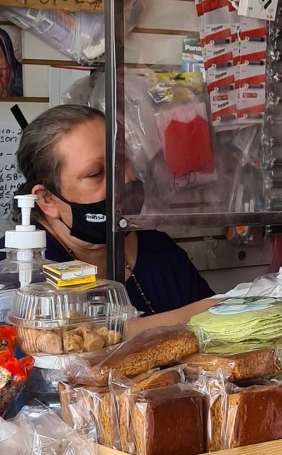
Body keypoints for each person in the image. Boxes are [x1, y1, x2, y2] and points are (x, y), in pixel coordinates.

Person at [1, 105, 216, 318]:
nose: (123, 180)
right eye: (96, 173)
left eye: (123, 162)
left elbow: (218, 331)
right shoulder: (18, 272)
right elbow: (81, 341)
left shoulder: (161, 252)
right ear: (47, 200)